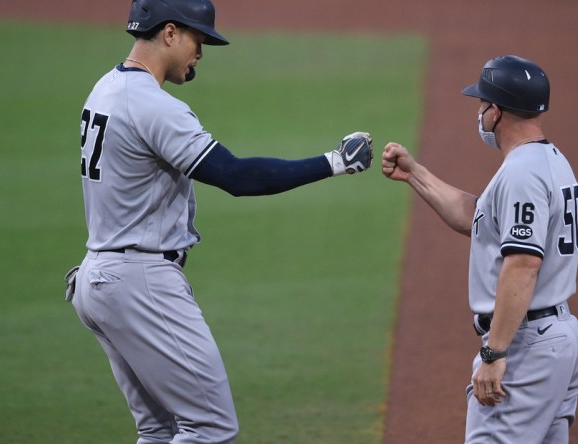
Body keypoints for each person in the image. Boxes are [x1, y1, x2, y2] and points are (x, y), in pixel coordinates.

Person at [64, 0, 372, 442]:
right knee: (210, 428)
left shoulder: (105, 88)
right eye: (197, 38)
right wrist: (334, 162)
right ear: (169, 33)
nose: (201, 52)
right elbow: (237, 177)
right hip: (140, 282)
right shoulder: (153, 105)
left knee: (159, 430)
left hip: (100, 277)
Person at [382, 55, 578, 443]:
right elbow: (482, 220)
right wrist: (416, 175)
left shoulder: (521, 172)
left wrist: (494, 353)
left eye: (481, 105)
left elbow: (524, 263)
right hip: (558, 337)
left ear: (496, 111)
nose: (478, 114)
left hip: (528, 344)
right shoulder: (549, 160)